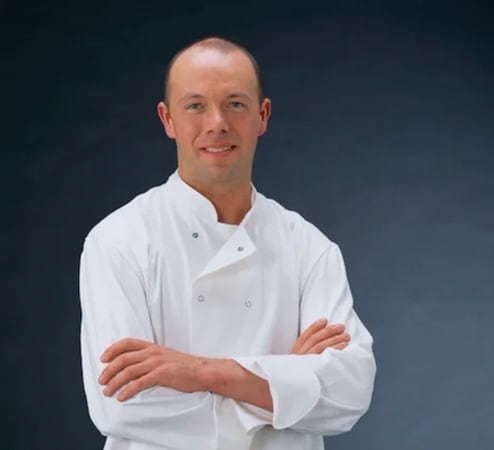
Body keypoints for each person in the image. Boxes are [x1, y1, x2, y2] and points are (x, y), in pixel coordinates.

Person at [79, 36, 376, 450]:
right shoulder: (118, 240)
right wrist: (286, 384)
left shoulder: (308, 246)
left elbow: (349, 392)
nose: (216, 122)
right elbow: (121, 406)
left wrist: (200, 372)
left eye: (235, 104)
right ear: (168, 119)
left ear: (262, 116)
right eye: (195, 106)